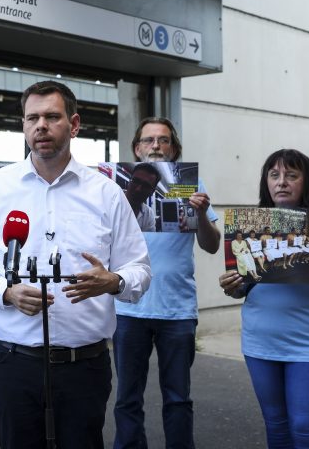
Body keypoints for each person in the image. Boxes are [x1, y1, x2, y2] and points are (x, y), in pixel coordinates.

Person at [0, 80, 151, 449]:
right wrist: (6, 292)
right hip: (16, 363)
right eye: (32, 118)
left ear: (74, 125)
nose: (40, 125)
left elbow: (140, 269)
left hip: (85, 366)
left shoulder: (105, 192)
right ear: (24, 125)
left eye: (51, 116)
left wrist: (113, 281)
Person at [219, 149, 309, 448]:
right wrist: (232, 286)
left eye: (291, 175)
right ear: (266, 183)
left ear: (306, 183)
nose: (282, 182)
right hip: (260, 342)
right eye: (274, 175)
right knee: (276, 426)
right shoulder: (248, 229)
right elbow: (243, 287)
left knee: (305, 427)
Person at [114, 117, 220, 449]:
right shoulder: (114, 194)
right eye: (148, 141)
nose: (156, 146)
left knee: (177, 397)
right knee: (127, 397)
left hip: (177, 310)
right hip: (128, 307)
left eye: (163, 140)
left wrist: (201, 214)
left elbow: (212, 244)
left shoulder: (192, 186)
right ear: (136, 148)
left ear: (174, 150)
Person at [124, 162, 160, 232]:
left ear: (152, 192)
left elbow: (149, 241)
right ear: (129, 182)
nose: (138, 189)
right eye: (135, 181)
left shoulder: (149, 214)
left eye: (146, 186)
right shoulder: (110, 205)